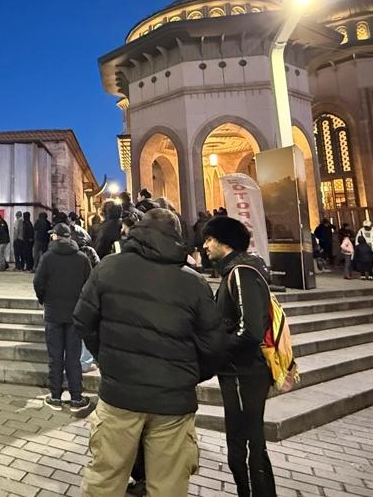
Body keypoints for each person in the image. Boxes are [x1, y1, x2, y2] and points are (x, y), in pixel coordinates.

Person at [74, 208, 226, 496]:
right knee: (168, 486)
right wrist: (186, 375)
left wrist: (108, 360)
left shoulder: (108, 268)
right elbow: (214, 346)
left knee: (105, 479)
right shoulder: (194, 282)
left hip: (120, 395)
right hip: (173, 401)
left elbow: (83, 322)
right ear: (178, 237)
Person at [201, 215, 277, 497]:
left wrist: (216, 347)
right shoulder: (235, 270)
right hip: (238, 371)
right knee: (249, 442)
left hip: (243, 372)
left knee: (244, 446)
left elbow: (250, 331)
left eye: (210, 239)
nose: (205, 245)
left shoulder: (241, 272)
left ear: (225, 242)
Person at [34, 223, 93, 411]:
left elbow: (38, 282)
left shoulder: (48, 257)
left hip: (53, 314)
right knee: (73, 357)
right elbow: (89, 286)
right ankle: (76, 397)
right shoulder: (82, 258)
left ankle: (55, 396)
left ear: (56, 237)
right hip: (75, 313)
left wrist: (45, 300)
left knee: (55, 356)